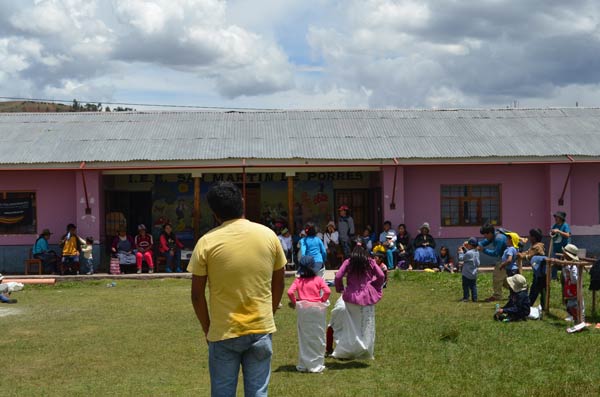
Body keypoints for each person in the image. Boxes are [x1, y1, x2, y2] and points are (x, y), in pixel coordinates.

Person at [188, 182, 286, 397]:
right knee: (258, 393)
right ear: (242, 204)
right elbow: (279, 281)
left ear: (214, 214)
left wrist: (208, 328)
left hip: (223, 331)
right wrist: (269, 313)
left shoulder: (206, 242)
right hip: (260, 328)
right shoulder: (269, 236)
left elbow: (197, 295)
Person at [326, 245, 385, 360]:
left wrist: (340, 289)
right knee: (365, 325)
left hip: (351, 297)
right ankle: (365, 351)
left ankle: (347, 350)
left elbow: (338, 276)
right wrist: (375, 286)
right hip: (367, 296)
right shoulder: (370, 262)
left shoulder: (349, 262)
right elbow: (381, 275)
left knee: (350, 325)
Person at [287, 255, 331, 373]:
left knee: (304, 336)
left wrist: (295, 302)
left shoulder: (298, 280)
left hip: (304, 310)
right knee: (318, 334)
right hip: (317, 310)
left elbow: (290, 292)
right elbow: (327, 291)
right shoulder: (318, 279)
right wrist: (322, 300)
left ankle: (304, 363)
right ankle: (317, 362)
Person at [478, 223, 508, 302]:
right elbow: (483, 242)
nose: (485, 237)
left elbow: (495, 253)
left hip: (507, 259)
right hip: (503, 258)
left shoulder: (499, 238)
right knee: (504, 280)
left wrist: (483, 250)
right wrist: (473, 244)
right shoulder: (493, 235)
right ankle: (518, 290)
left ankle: (497, 296)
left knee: (496, 277)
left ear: (490, 233)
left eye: (485, 235)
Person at [517, 228, 546, 306]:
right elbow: (527, 252)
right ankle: (531, 304)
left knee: (537, 289)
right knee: (537, 289)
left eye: (530, 236)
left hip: (541, 272)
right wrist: (521, 254)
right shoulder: (533, 246)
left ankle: (533, 305)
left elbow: (529, 255)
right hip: (537, 272)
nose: (529, 238)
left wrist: (522, 256)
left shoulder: (537, 247)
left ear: (534, 237)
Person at [562, 244, 584, 323]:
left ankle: (579, 317)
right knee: (569, 303)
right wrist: (565, 268)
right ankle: (571, 315)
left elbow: (575, 280)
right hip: (569, 286)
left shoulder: (574, 266)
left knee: (576, 303)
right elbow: (565, 276)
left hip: (575, 287)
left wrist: (570, 271)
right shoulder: (567, 265)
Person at [550, 211, 571, 279]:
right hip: (556, 248)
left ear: (561, 218)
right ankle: (554, 277)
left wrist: (558, 231)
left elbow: (568, 235)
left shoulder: (565, 225)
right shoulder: (555, 225)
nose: (555, 218)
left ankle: (564, 277)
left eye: (557, 217)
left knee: (564, 264)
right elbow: (552, 233)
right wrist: (552, 232)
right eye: (555, 217)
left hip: (564, 249)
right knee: (554, 262)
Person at [458, 238, 480, 302]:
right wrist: (464, 248)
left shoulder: (469, 253)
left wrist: (461, 252)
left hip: (466, 273)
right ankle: (474, 298)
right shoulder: (476, 252)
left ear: (471, 245)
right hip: (474, 273)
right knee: (473, 286)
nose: (467, 246)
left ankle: (466, 297)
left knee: (465, 286)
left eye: (468, 244)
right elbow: (469, 253)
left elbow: (461, 258)